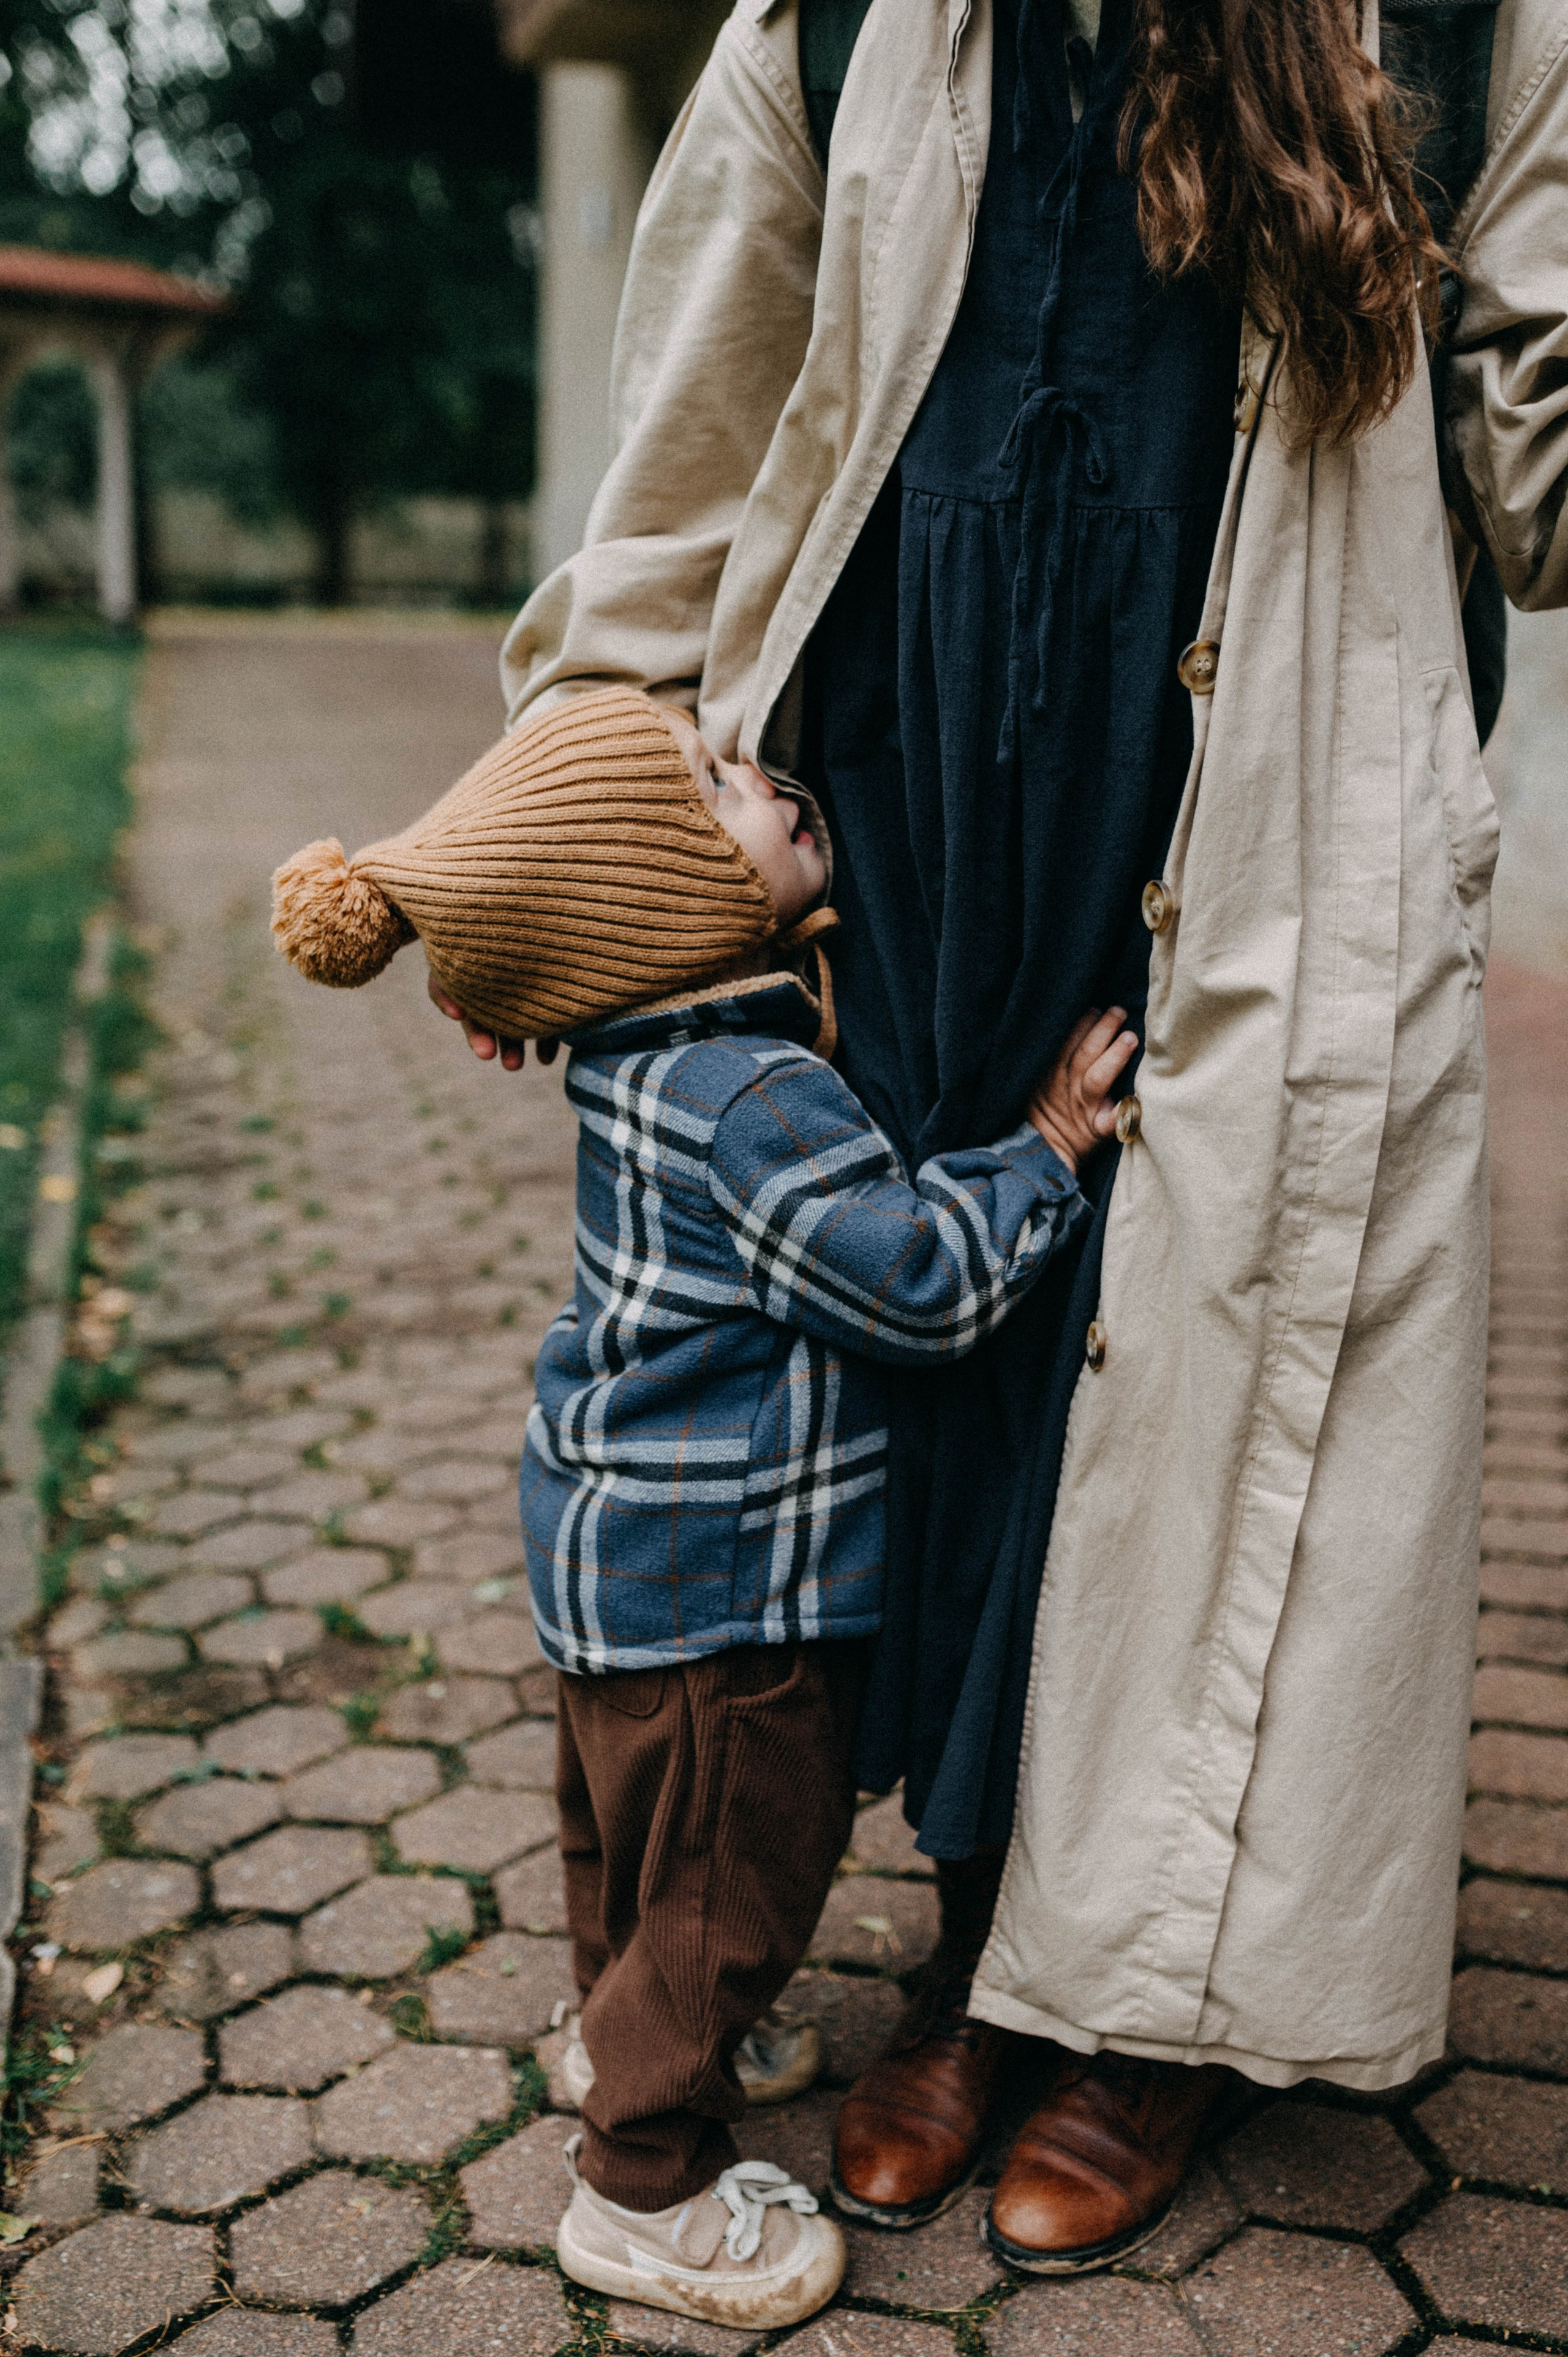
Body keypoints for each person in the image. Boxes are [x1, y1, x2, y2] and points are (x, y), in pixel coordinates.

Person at [444, 0, 1568, 2280]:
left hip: (1257, 789)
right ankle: (980, 1948)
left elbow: (1537, 502)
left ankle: (1144, 2007)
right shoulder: (848, 18)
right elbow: (688, 462)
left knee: (1212, 1377)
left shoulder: (1457, 17)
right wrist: (535, 869)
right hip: (908, 792)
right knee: (960, 1380)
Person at [273, 683, 1137, 2325]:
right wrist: (1040, 1147)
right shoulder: (751, 1098)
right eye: (714, 784)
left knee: (626, 1846)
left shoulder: (632, 1057)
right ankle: (645, 2182)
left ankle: (616, 2033)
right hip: (730, 1591)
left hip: (612, 1551)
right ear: (660, 898)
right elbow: (913, 1283)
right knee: (726, 1891)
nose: (763, 769)